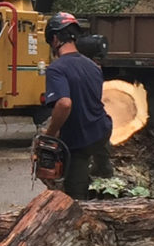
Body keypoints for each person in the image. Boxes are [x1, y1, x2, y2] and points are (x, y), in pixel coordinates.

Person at [35, 12, 114, 199]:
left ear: (54, 39)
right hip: (103, 132)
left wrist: (51, 135)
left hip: (80, 141)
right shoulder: (93, 66)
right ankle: (105, 171)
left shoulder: (57, 68)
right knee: (106, 181)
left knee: (75, 197)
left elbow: (64, 104)